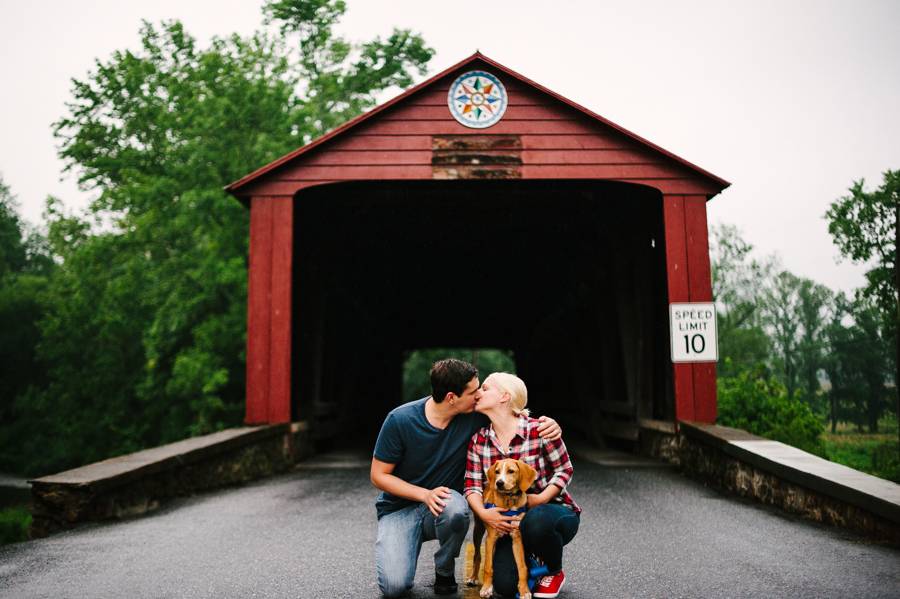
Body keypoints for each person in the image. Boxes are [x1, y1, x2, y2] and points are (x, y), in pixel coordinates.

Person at [371, 359, 561, 597]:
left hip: (444, 508)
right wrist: (424, 494)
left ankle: (445, 569)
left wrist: (549, 424)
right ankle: (406, 543)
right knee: (393, 588)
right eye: (473, 391)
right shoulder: (400, 420)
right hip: (400, 509)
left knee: (455, 507)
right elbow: (378, 476)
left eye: (482, 388)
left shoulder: (474, 416)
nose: (479, 395)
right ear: (451, 397)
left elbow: (512, 415)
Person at [464, 372, 580, 599]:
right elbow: (472, 486)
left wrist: (540, 498)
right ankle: (529, 559)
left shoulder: (540, 430)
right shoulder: (479, 440)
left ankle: (553, 569)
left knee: (534, 522)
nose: (478, 393)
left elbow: (565, 469)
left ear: (505, 396)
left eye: (485, 389)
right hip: (507, 520)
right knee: (506, 586)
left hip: (551, 514)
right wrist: (485, 515)